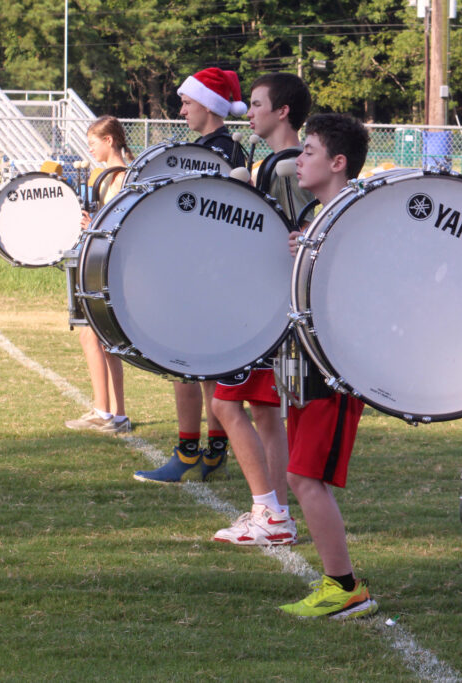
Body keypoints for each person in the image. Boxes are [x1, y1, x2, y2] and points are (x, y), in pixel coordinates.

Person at [276, 113, 377, 620]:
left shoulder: (354, 217)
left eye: (309, 151)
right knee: (301, 476)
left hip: (335, 366)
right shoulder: (312, 217)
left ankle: (345, 587)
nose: (299, 159)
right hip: (309, 362)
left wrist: (316, 259)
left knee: (304, 477)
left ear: (338, 163)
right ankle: (338, 581)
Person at [208, 72, 313, 546]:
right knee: (267, 414)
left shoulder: (288, 167)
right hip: (281, 308)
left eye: (256, 104)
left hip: (270, 308)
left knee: (225, 405)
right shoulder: (279, 162)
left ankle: (268, 511)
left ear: (282, 111)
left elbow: (286, 237)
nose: (248, 112)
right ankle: (277, 513)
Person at [133, 67, 247, 484]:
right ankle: (214, 452)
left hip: (205, 274)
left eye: (187, 102)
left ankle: (186, 452)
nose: (181, 110)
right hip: (213, 273)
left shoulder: (216, 151)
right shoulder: (224, 148)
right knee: (209, 367)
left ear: (209, 105)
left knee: (182, 362)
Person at [64, 115, 134, 435]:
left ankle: (105, 411)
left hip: (112, 268)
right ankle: (114, 413)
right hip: (102, 264)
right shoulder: (106, 176)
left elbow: (122, 226)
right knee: (101, 340)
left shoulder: (122, 177)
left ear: (109, 141)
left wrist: (91, 225)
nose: (90, 149)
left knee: (94, 336)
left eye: (94, 143)